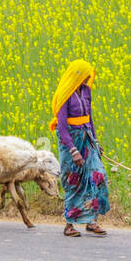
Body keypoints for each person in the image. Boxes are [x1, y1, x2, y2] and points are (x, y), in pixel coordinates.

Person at [50, 58, 109, 237]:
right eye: (84, 75)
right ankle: (69, 224)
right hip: (70, 141)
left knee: (98, 176)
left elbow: (89, 118)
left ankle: (91, 221)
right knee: (73, 181)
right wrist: (73, 151)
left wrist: (95, 142)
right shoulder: (64, 94)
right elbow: (61, 126)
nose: (87, 79)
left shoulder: (86, 91)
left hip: (86, 137)